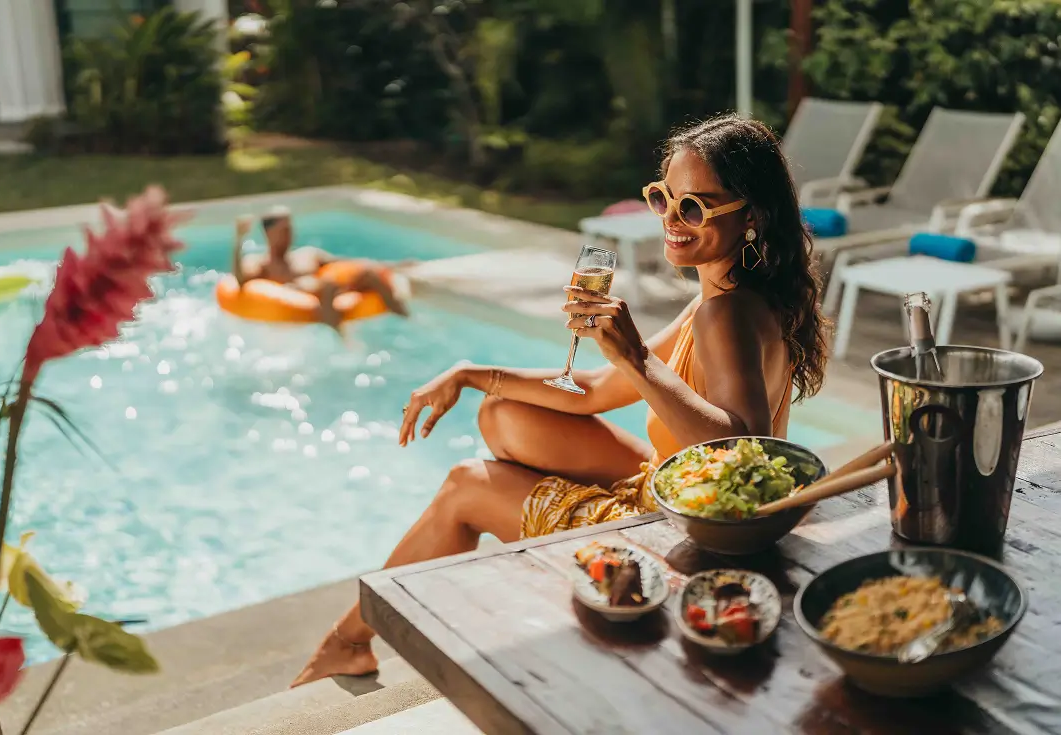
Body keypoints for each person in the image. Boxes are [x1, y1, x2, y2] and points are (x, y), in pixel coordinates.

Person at [290, 114, 831, 686]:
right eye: (663, 198)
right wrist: (475, 373)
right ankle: (363, 635)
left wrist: (637, 358)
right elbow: (594, 391)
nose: (672, 220)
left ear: (752, 214)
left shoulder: (726, 313)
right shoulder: (728, 301)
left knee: (466, 486)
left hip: (687, 533)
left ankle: (349, 640)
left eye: (694, 207)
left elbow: (743, 446)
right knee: (502, 412)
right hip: (677, 494)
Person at [232, 206, 409, 331]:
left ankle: (404, 319)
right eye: (284, 230)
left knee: (369, 273)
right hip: (310, 295)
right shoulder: (263, 264)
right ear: (268, 234)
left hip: (333, 289)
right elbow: (240, 280)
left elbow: (347, 264)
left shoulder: (308, 254)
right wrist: (239, 240)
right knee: (327, 286)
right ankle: (344, 343)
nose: (290, 234)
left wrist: (394, 266)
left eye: (291, 229)